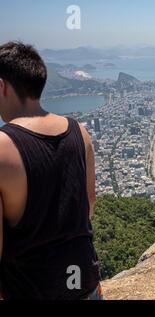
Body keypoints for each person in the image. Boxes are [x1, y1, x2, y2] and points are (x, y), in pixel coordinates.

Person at [0, 42, 102, 300]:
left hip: (29, 289)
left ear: (2, 86)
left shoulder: (2, 148)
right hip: (85, 284)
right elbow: (88, 205)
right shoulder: (81, 132)